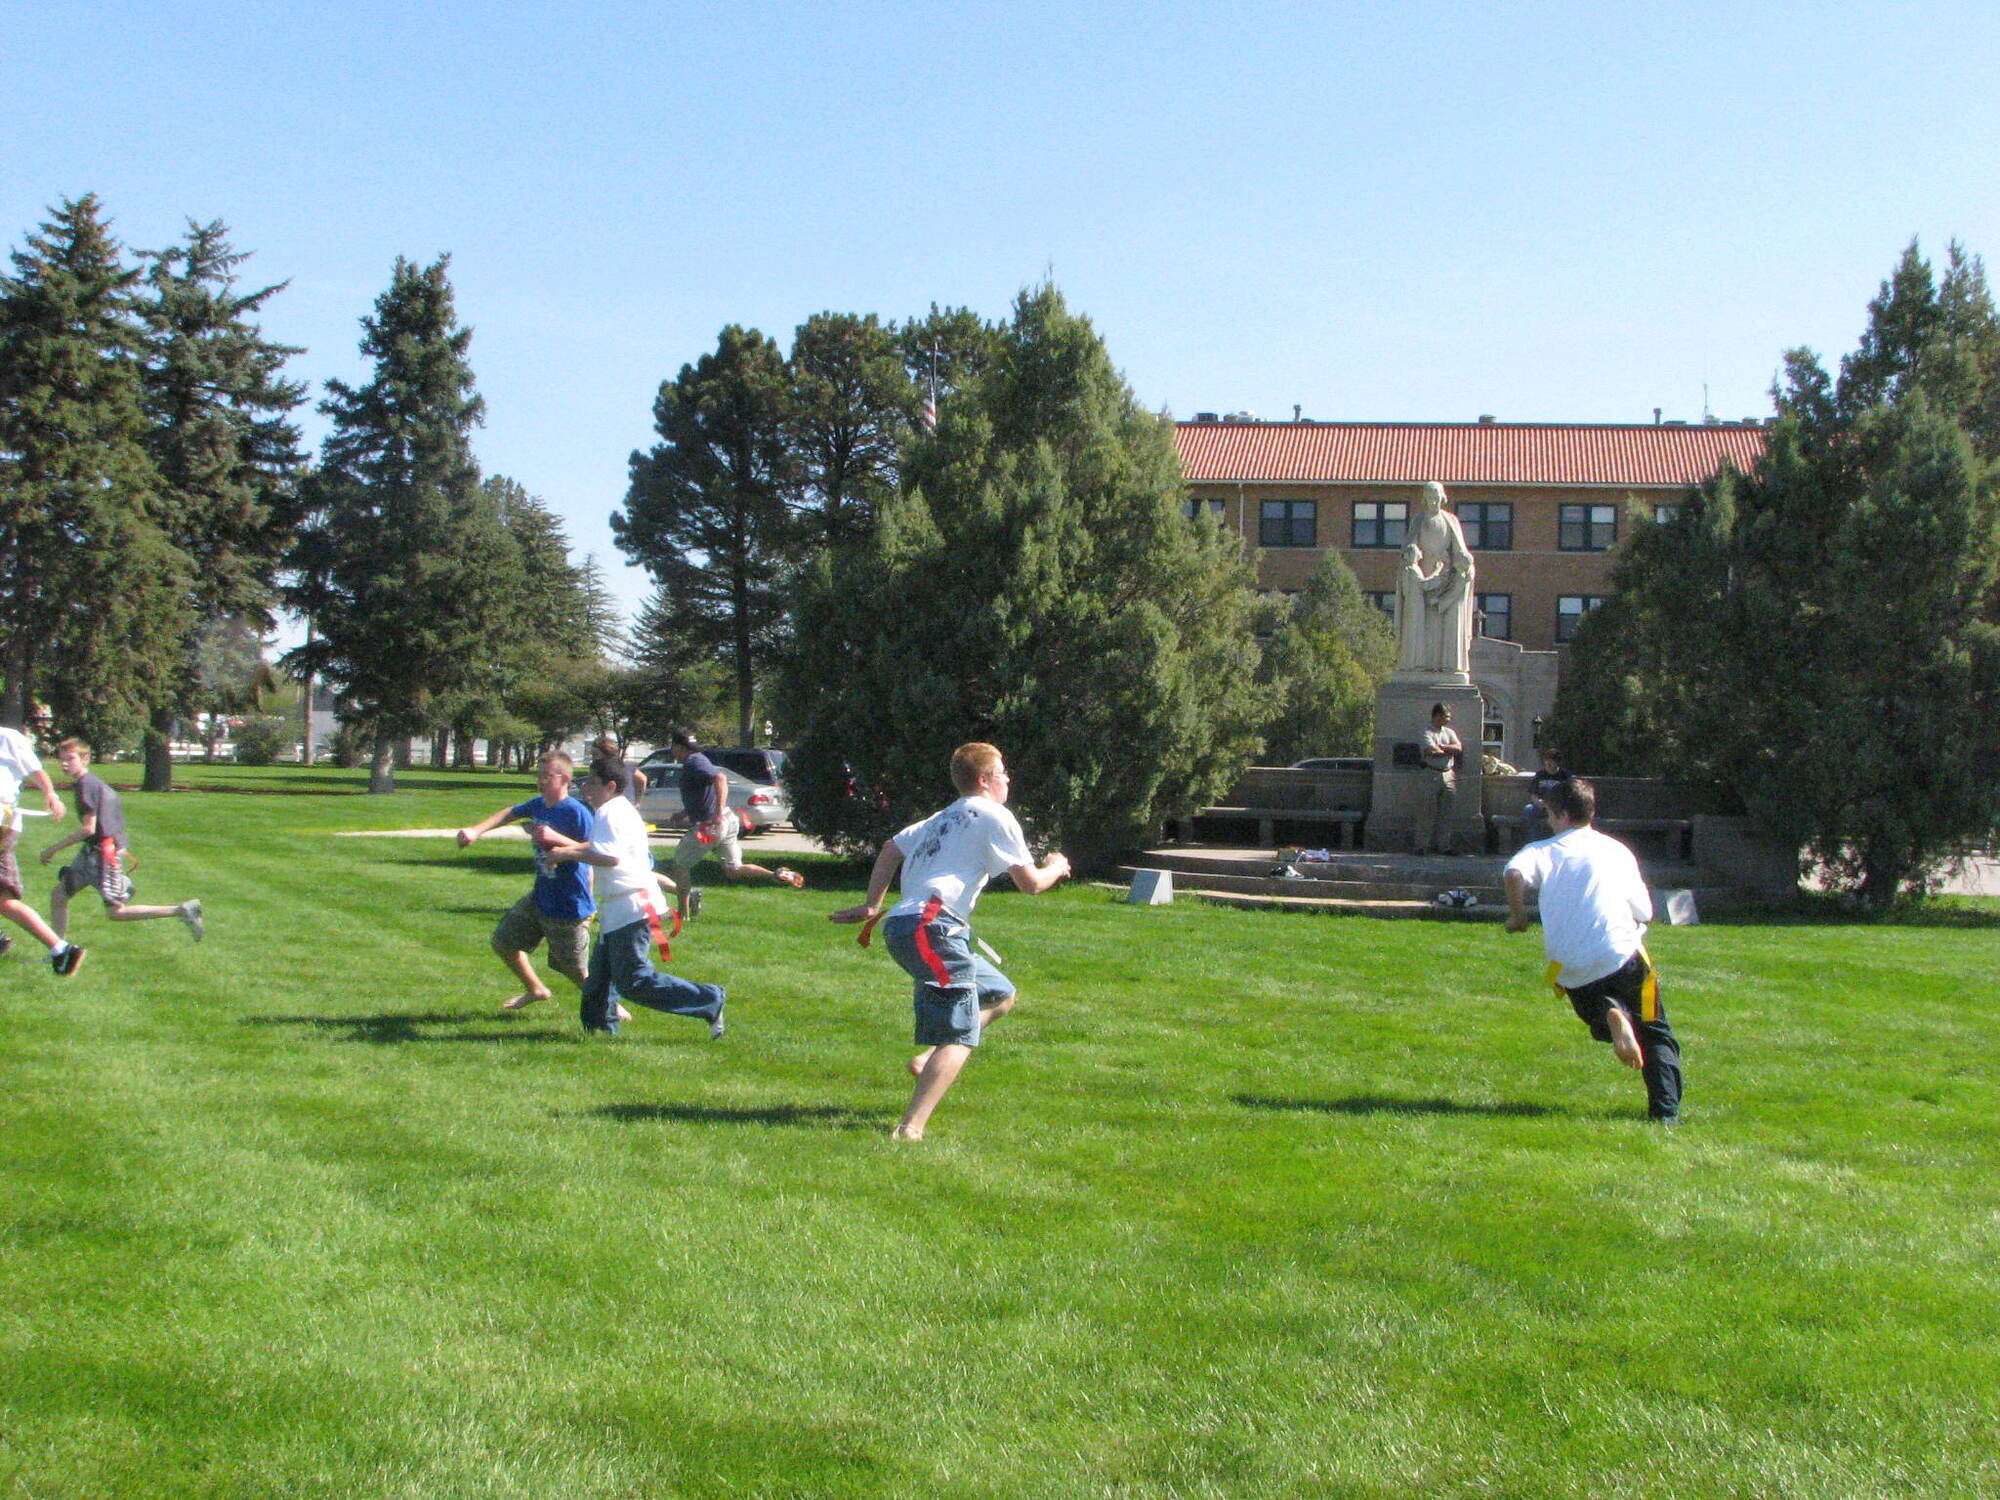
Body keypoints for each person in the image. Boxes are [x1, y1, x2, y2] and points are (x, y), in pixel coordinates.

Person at [829, 742, 1071, 1141]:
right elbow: (1029, 885)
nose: (1008, 779)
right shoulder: (996, 815)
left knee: (1000, 994)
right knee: (960, 1035)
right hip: (932, 926)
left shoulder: (942, 817)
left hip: (919, 925)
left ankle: (928, 1059)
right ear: (985, 780)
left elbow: (891, 849)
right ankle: (910, 1129)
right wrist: (1055, 867)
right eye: (1003, 772)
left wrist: (873, 905)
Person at [1502, 776, 1682, 1122]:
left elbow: (1513, 875)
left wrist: (1518, 916)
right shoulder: (1616, 850)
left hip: (1567, 966)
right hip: (1621, 954)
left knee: (1595, 1015)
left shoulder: (1541, 852)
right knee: (1655, 1030)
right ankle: (1665, 1115)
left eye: (1551, 815)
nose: (1549, 822)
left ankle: (1611, 1015)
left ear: (1563, 815)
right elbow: (1645, 912)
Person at [542, 763, 726, 1038]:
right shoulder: (619, 809)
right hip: (620, 905)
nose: (587, 789)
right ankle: (600, 1033)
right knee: (599, 982)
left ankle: (709, 999)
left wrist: (567, 855)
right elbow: (601, 847)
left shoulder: (608, 812)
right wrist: (566, 849)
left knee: (634, 981)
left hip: (631, 905)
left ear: (611, 786)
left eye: (592, 783)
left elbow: (609, 857)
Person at [456, 751, 605, 1012]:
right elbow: (509, 814)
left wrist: (556, 838)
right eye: (539, 775)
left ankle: (611, 1007)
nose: (541, 781)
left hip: (569, 902)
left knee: (572, 968)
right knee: (504, 942)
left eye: (547, 776)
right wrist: (475, 831)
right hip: (540, 896)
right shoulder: (538, 804)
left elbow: (596, 849)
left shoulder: (576, 811)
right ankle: (535, 989)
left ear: (565, 779)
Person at [38, 739, 204, 944]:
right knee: (59, 895)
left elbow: (88, 829)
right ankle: (59, 951)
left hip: (103, 855)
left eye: (70, 759)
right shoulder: (93, 782)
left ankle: (182, 910)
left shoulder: (86, 786)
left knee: (115, 912)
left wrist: (52, 850)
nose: (64, 764)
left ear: (85, 759)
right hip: (95, 852)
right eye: (61, 759)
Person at [662, 729, 802, 924]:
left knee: (680, 865)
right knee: (734, 869)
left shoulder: (694, 761)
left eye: (673, 747)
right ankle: (777, 874)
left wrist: (717, 813)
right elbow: (703, 795)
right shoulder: (697, 760)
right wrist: (684, 813)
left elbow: (720, 779)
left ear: (678, 747)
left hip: (712, 825)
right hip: (727, 821)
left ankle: (683, 915)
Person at [0, 724, 84, 975]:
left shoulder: (7, 737)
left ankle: (61, 949)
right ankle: (60, 949)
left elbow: (34, 768)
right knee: (3, 902)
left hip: (2, 823)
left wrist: (51, 794)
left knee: (4, 901)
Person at [1417, 702, 1464, 856]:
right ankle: (1422, 846)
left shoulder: (1449, 732)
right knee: (1427, 811)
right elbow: (1431, 751)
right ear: (1437, 716)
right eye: (1446, 716)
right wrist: (1446, 749)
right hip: (1431, 773)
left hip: (1448, 774)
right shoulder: (1426, 731)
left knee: (1447, 812)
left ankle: (1444, 846)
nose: (1449, 719)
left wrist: (1442, 746)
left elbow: (1458, 748)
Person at [1523, 747, 1571, 843]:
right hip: (1542, 806)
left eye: (1551, 762)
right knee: (1528, 809)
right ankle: (1533, 841)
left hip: (1558, 806)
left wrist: (1557, 804)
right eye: (1546, 761)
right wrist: (1538, 802)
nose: (1548, 764)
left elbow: (1569, 794)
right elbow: (1533, 794)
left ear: (1557, 763)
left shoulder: (1565, 775)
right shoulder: (1540, 774)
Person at [589, 734, 646, 801]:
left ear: (607, 752)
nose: (593, 758)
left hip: (624, 803)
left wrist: (638, 800)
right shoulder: (596, 768)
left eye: (595, 754)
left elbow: (642, 779)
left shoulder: (625, 766)